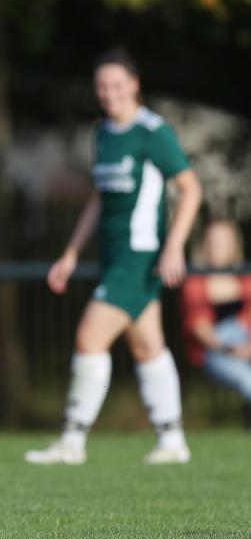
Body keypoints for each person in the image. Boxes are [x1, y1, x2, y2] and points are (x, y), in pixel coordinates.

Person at [26, 48, 202, 465]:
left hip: (142, 256)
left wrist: (175, 244)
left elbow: (191, 189)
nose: (109, 93)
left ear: (134, 85)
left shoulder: (152, 132)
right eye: (102, 86)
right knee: (147, 346)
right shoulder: (102, 132)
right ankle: (173, 440)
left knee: (90, 337)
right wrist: (70, 254)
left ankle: (72, 440)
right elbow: (99, 199)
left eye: (117, 84)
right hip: (114, 255)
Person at [181, 219, 251, 409]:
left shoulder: (245, 278)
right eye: (211, 241)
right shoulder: (195, 282)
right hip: (217, 351)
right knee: (246, 379)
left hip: (246, 342)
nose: (215, 246)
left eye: (221, 241)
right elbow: (200, 328)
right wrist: (231, 349)